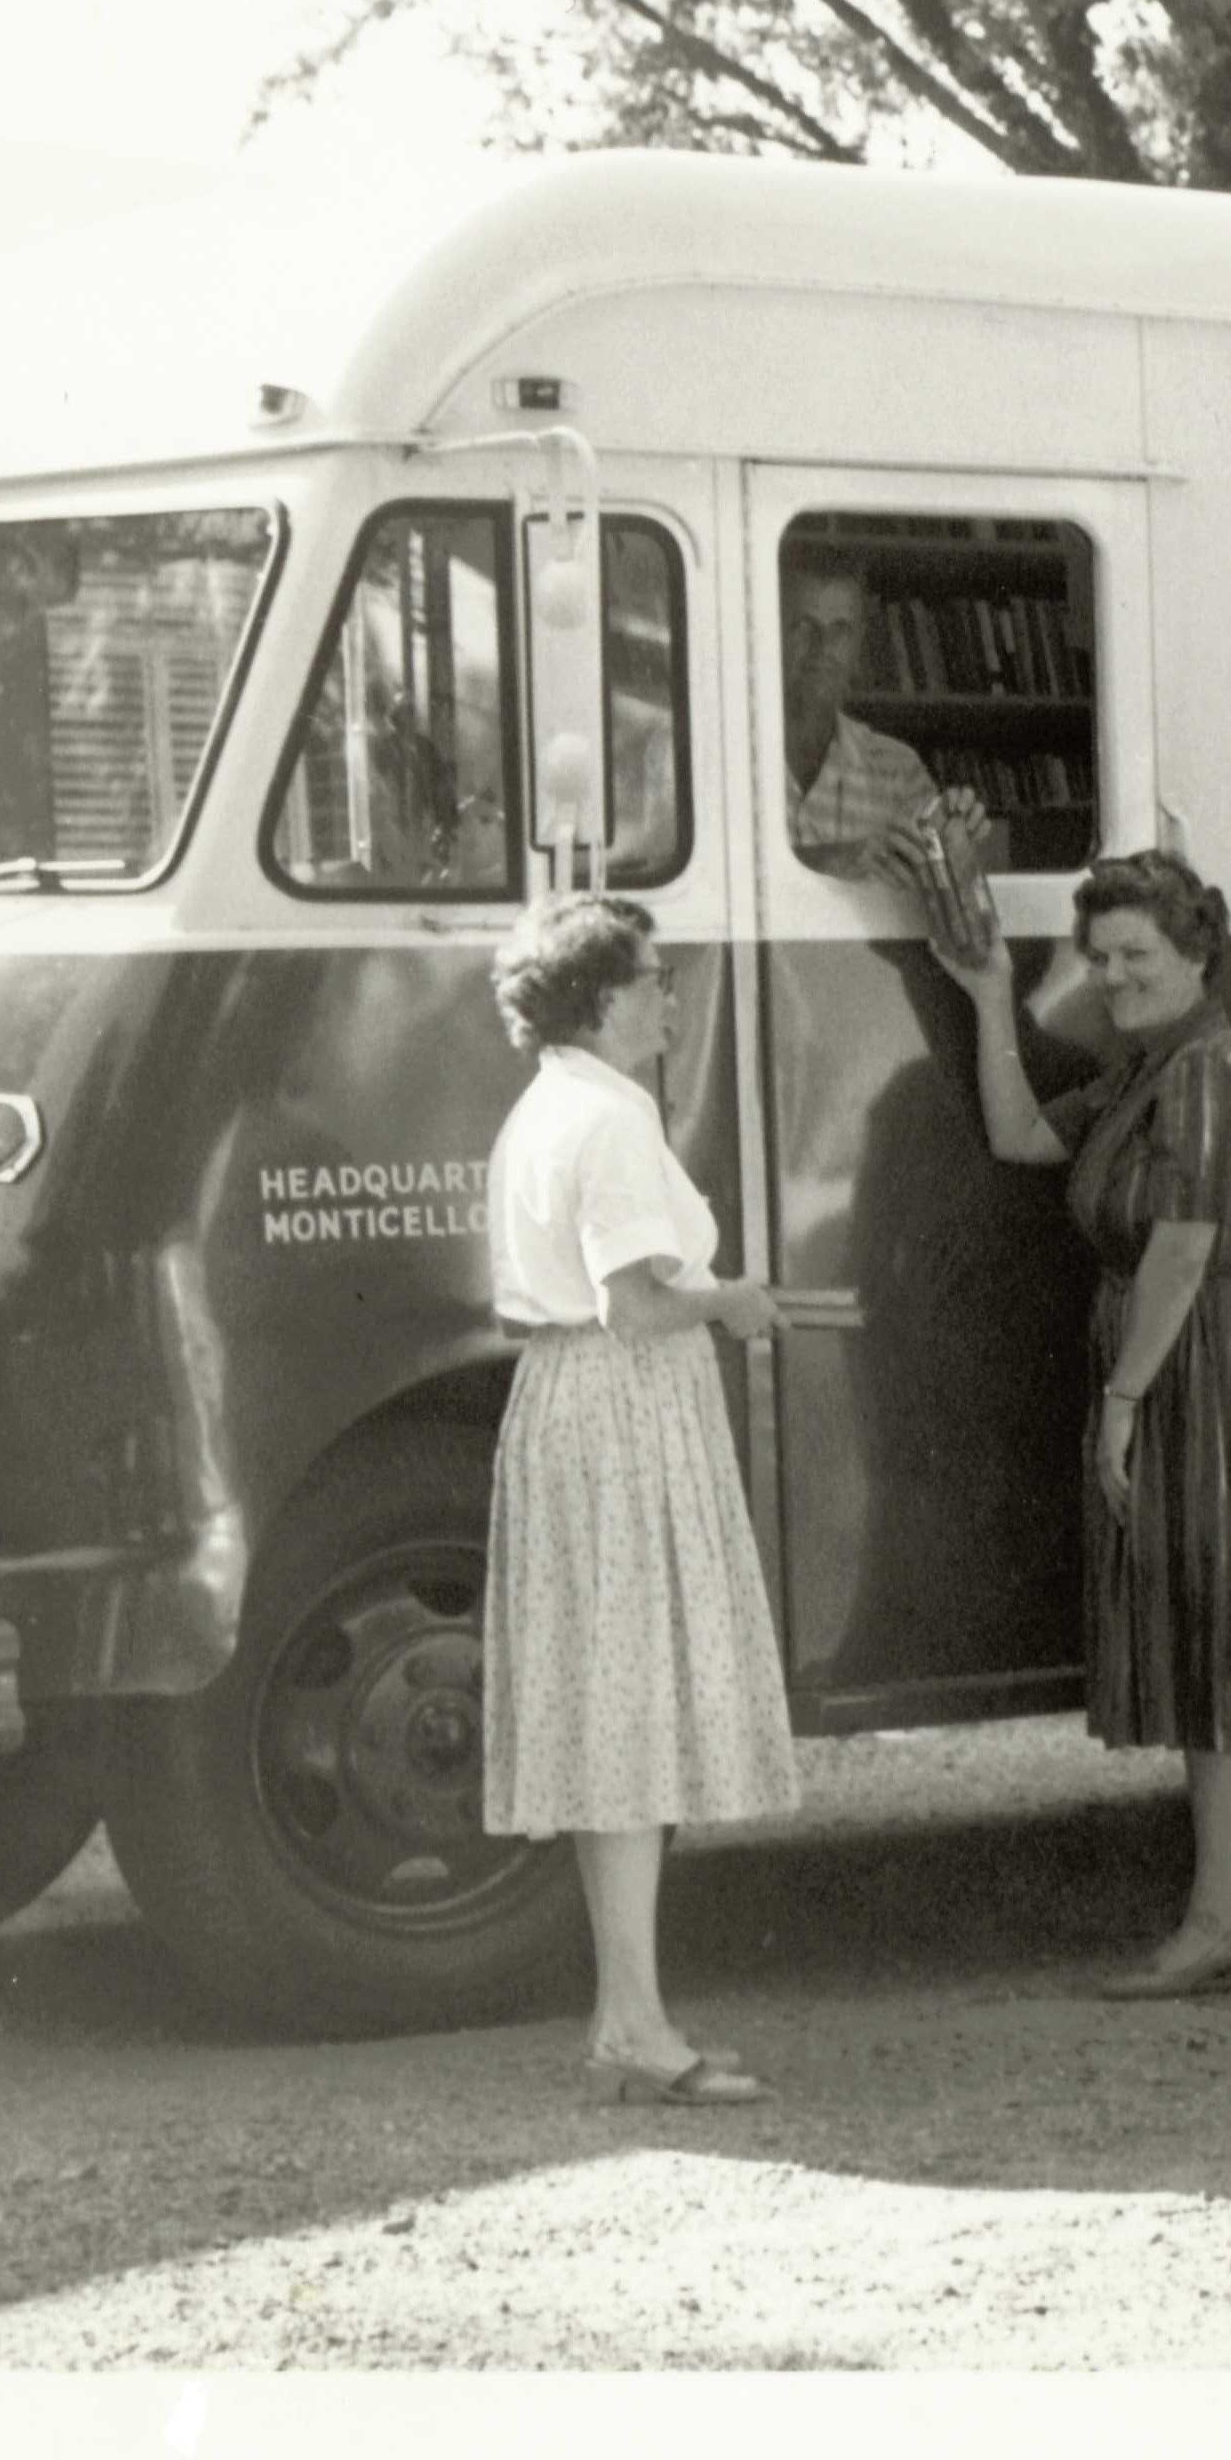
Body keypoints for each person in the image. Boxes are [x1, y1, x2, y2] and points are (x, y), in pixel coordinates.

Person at [934, 849, 1231, 1997]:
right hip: (1203, 1354)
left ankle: (1218, 1919)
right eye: (1100, 955)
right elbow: (1020, 1137)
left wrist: (1121, 1400)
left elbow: (1184, 1244)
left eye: (1138, 955)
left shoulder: (1202, 1070)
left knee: (1221, 1639)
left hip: (1196, 1358)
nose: (1114, 976)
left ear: (1198, 950)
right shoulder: (1154, 1065)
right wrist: (984, 993)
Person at [474, 893, 799, 2102]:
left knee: (620, 1718)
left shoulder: (548, 1106)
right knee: (630, 1715)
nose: (671, 998)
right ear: (604, 999)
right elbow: (636, 1304)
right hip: (622, 1404)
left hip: (570, 1405)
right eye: (654, 980)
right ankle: (635, 2024)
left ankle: (631, 2018)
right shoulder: (609, 1119)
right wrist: (735, 1299)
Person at [777, 551, 942, 875]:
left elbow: (943, 890)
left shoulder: (899, 772)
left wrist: (958, 844)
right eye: (803, 626)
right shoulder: (727, 762)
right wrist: (827, 859)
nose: (822, 648)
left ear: (859, 644)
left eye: (840, 630)